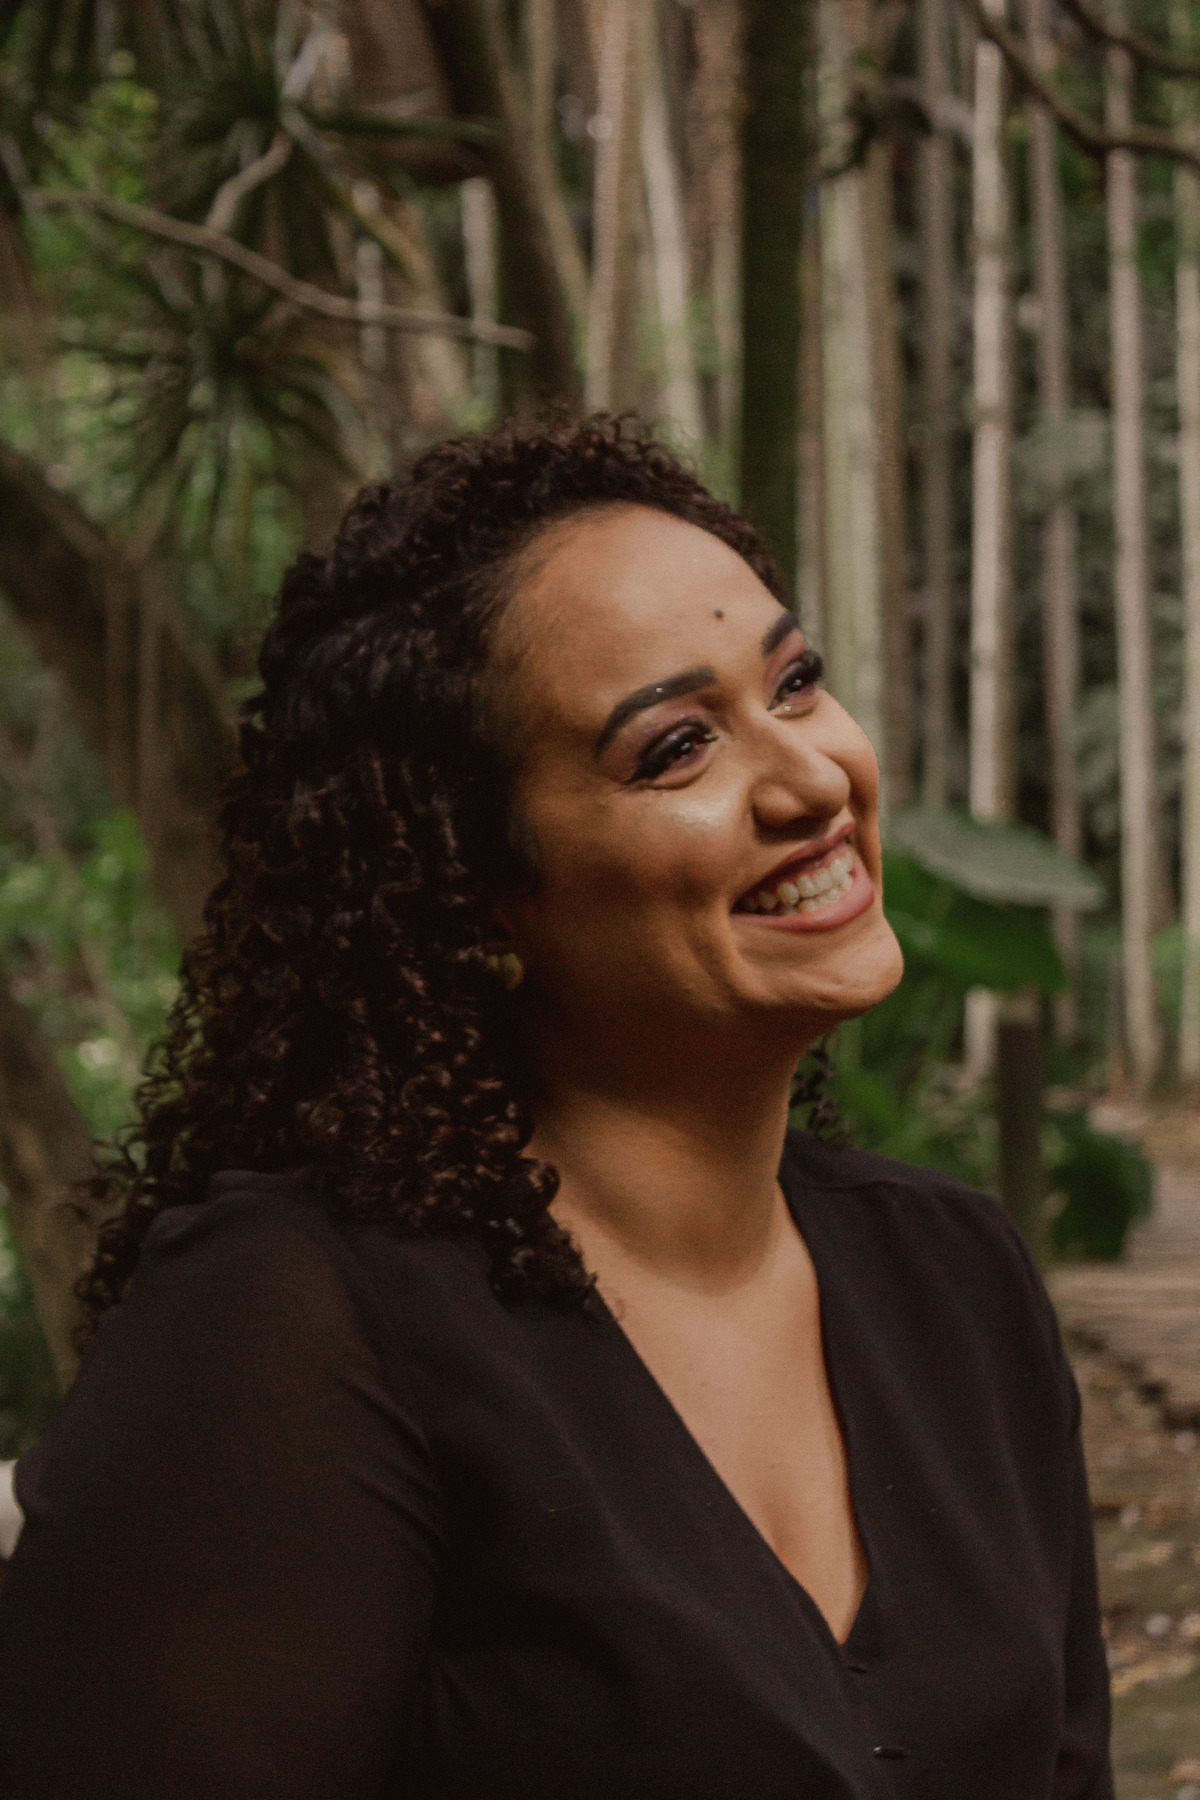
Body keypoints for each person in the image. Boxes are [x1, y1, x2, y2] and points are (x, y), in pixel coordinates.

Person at [0, 416, 1111, 1799]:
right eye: (677, 749)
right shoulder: (292, 1322)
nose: (816, 780)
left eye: (798, 683)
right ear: (471, 897)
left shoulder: (956, 1278)